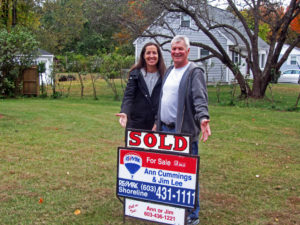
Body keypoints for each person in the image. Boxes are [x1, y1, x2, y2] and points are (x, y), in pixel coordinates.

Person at [156, 35, 211, 225]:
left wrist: (203, 118)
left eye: (180, 48)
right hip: (164, 130)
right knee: (168, 172)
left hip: (183, 133)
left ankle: (191, 214)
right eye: (174, 49)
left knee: (187, 174)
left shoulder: (194, 71)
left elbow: (199, 98)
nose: (177, 52)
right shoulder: (170, 70)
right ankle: (173, 209)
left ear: (188, 51)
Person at [116, 42, 166, 130]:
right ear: (143, 55)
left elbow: (165, 101)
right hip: (136, 124)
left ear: (159, 56)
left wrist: (157, 122)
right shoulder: (135, 74)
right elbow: (128, 96)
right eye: (148, 53)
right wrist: (124, 112)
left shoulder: (165, 75)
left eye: (154, 53)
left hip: (156, 125)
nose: (151, 56)